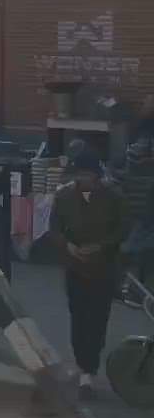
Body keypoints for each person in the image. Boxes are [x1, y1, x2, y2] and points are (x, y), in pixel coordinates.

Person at [47, 153, 129, 397]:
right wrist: (68, 246)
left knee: (97, 320)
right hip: (75, 267)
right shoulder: (63, 197)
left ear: (97, 176)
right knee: (79, 318)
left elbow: (123, 228)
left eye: (89, 175)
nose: (84, 179)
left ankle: (89, 369)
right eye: (80, 175)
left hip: (103, 268)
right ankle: (83, 367)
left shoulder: (113, 196)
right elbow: (54, 229)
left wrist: (101, 245)